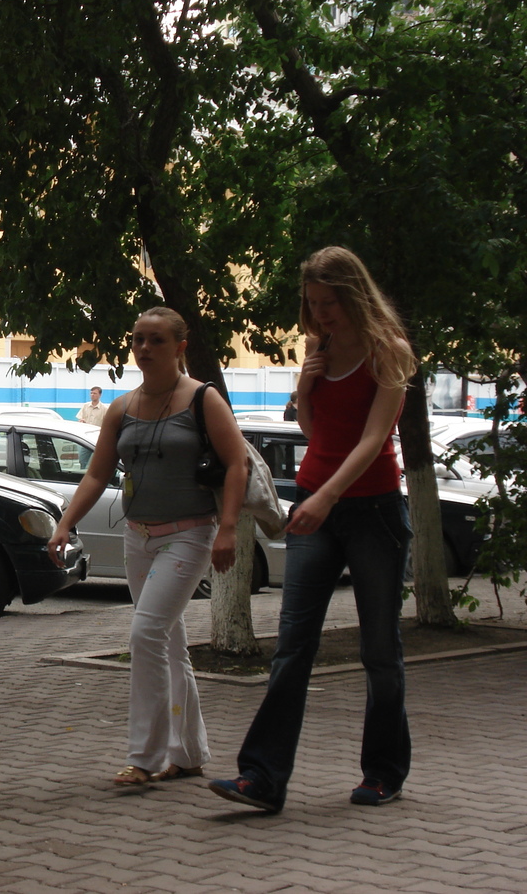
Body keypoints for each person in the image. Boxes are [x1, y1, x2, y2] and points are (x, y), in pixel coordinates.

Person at [209, 246, 417, 813]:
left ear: (354, 295)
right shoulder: (318, 348)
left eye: (329, 303)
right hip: (316, 506)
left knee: (380, 648)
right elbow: (312, 426)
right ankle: (262, 778)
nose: (320, 314)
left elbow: (374, 440)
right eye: (313, 303)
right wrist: (304, 384)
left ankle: (383, 771)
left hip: (372, 510)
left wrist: (326, 497)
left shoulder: (388, 351)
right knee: (293, 647)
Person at [47, 306, 248, 787]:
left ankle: (145, 756)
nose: (144, 348)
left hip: (189, 533)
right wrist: (65, 524)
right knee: (168, 642)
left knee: (145, 635)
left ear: (180, 346)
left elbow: (236, 463)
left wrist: (228, 528)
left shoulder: (203, 399)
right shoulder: (122, 407)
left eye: (156, 340)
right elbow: (97, 473)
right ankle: (190, 752)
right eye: (137, 339)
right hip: (137, 537)